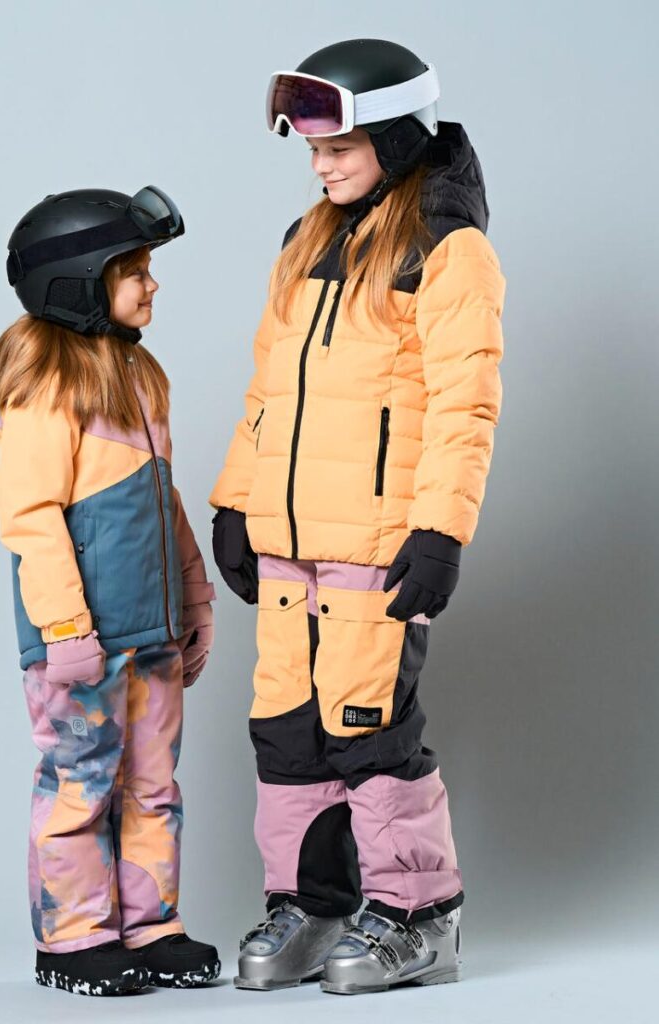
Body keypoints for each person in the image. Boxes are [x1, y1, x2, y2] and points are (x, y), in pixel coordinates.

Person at [210, 39, 506, 995]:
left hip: (376, 546)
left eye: (340, 148)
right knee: (286, 732)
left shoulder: (445, 247)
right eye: (311, 151)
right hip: (289, 545)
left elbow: (464, 406)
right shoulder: (304, 243)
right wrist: (234, 500)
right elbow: (266, 392)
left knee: (368, 730)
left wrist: (440, 533)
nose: (321, 165)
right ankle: (314, 904)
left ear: (391, 134)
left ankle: (419, 913)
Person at [0, 187, 219, 996]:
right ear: (81, 282)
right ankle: (74, 937)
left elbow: (166, 500)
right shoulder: (47, 387)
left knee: (155, 786)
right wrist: (63, 628)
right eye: (135, 271)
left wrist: (194, 603)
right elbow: (30, 517)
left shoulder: (141, 376)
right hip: (79, 640)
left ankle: (149, 925)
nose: (151, 285)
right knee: (80, 783)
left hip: (150, 632)